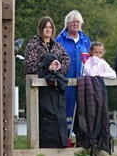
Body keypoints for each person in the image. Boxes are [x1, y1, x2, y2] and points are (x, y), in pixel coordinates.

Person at [23, 16, 70, 148]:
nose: (48, 29)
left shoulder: (57, 46)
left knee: (56, 117)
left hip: (54, 91)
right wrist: (47, 67)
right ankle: (36, 145)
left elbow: (66, 61)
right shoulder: (33, 45)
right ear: (41, 29)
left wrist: (57, 70)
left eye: (50, 27)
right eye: (45, 27)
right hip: (39, 90)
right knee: (39, 118)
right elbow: (29, 65)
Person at [57, 10, 91, 138]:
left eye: (77, 21)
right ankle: (64, 138)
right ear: (67, 24)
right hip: (66, 82)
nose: (75, 24)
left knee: (83, 111)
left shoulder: (85, 40)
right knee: (66, 111)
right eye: (73, 21)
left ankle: (83, 139)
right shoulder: (60, 40)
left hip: (83, 82)